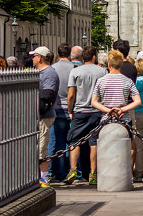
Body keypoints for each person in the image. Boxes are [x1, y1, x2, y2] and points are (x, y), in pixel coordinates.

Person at [65, 46, 107, 186]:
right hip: (97, 111)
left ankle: (73, 170)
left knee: (75, 141)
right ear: (94, 57)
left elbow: (71, 94)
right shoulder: (103, 71)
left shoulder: (75, 71)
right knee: (94, 142)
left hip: (80, 111)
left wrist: (71, 110)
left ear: (82, 58)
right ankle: (93, 173)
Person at [30, 46, 59, 188]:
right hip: (37, 115)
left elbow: (48, 94)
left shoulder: (49, 73)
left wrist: (30, 92)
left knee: (41, 147)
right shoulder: (40, 72)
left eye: (34, 56)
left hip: (44, 115)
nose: (32, 58)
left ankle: (44, 178)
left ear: (40, 58)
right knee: (37, 146)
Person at [91, 50, 141, 125]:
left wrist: (108, 110)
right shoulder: (128, 81)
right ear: (121, 65)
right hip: (124, 119)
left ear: (109, 64)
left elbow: (94, 102)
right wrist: (121, 109)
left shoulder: (101, 81)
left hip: (106, 119)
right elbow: (138, 101)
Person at [49, 43, 74, 182]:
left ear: (58, 54)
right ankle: (69, 170)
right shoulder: (75, 68)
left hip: (56, 107)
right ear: (69, 53)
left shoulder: (52, 69)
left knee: (56, 141)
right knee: (71, 142)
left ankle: (56, 172)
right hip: (70, 108)